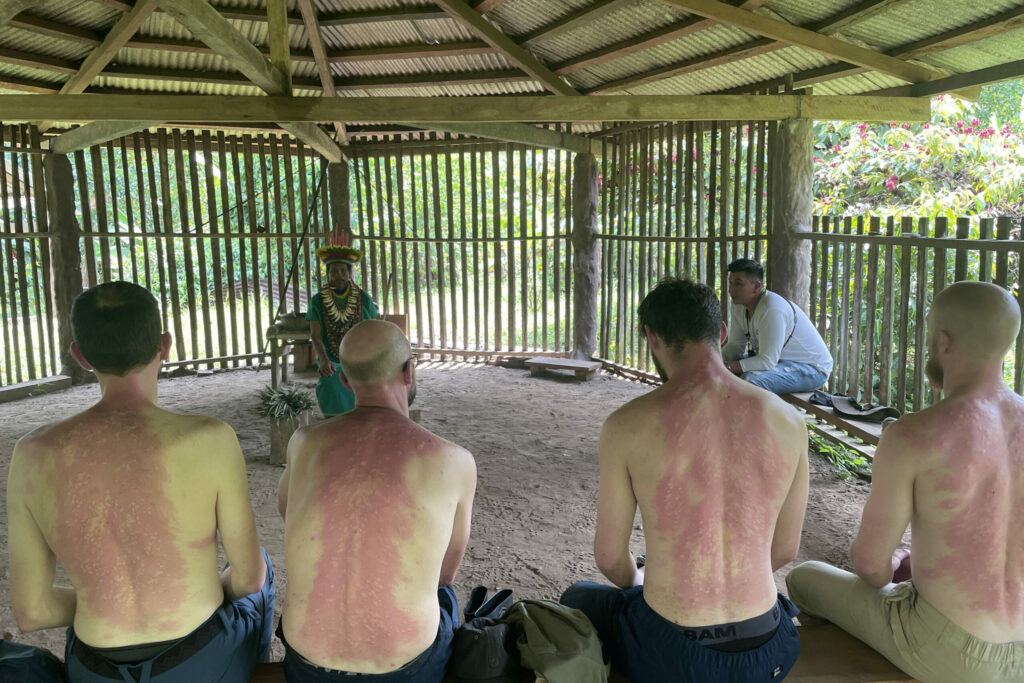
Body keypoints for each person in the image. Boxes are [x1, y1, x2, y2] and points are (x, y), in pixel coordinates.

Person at [6, 281, 274, 683]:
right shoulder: (210, 439)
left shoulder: (31, 455)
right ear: (164, 346)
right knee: (263, 571)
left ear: (80, 355)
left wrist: (110, 596)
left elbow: (33, 612)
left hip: (96, 670)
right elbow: (247, 578)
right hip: (200, 660)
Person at [561, 278, 808, 682]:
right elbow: (784, 550)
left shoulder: (627, 425)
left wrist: (642, 582)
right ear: (722, 333)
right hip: (770, 650)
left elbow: (609, 559)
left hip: (671, 657)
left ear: (651, 336)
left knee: (579, 597)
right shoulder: (788, 421)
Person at [786, 281, 1024, 683]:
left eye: (930, 334)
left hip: (950, 650)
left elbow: (870, 567)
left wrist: (897, 561)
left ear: (943, 342)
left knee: (804, 577)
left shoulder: (914, 434)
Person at [277, 319, 476, 682]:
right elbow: (445, 574)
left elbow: (287, 511)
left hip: (306, 661)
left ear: (345, 380)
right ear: (408, 372)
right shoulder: (452, 460)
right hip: (405, 668)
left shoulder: (304, 443)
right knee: (445, 598)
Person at [721, 259, 833, 394]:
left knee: (750, 381)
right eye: (730, 283)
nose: (731, 289)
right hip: (778, 361)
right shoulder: (738, 305)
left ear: (757, 286)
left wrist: (725, 367)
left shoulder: (771, 309)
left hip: (811, 369)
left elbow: (766, 361)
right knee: (728, 370)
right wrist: (715, 360)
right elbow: (735, 345)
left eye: (738, 284)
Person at [306, 244, 380, 416]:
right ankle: (333, 419)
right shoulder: (318, 301)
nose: (338, 275)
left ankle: (361, 418)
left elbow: (373, 331)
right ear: (328, 274)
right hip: (331, 358)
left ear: (349, 274)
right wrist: (324, 360)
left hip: (358, 356)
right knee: (331, 379)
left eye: (342, 271)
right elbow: (316, 336)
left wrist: (369, 358)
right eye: (334, 271)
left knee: (365, 379)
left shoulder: (363, 299)